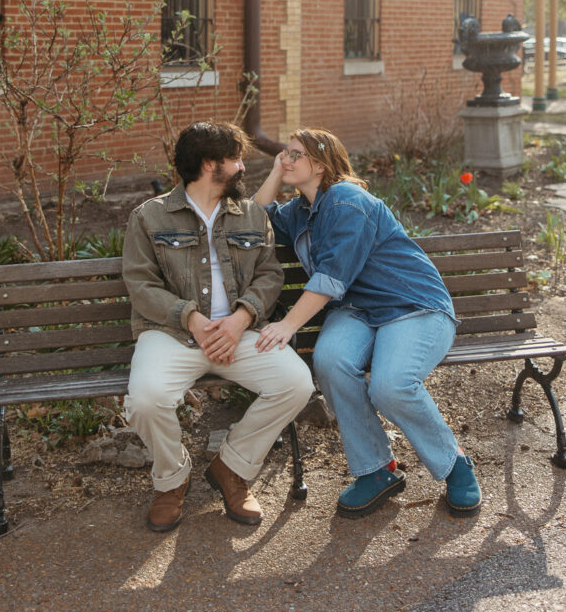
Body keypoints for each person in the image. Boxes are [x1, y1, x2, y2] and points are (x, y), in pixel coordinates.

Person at [253, 127, 481, 520]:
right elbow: (253, 223)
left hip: (410, 305)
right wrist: (275, 174)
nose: (286, 159)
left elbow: (332, 277)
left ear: (322, 165)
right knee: (330, 360)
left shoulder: (346, 201)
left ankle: (454, 462)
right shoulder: (301, 210)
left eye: (295, 155)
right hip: (359, 312)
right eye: (284, 153)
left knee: (391, 386)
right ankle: (376, 471)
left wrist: (288, 324)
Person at [122, 121, 314, 532]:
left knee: (296, 383)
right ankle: (171, 480)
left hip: (238, 334)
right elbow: (141, 285)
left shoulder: (249, 214)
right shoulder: (150, 217)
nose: (243, 167)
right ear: (211, 165)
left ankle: (232, 468)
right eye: (235, 159)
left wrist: (241, 318)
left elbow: (269, 275)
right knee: (145, 399)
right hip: (172, 333)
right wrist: (192, 319)